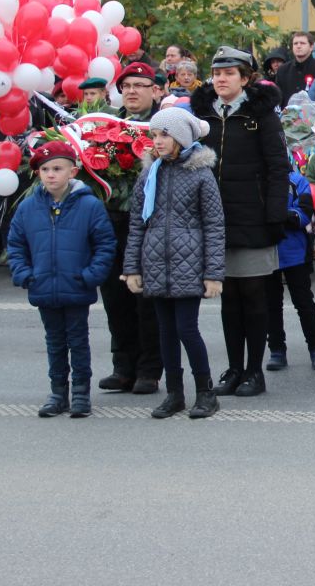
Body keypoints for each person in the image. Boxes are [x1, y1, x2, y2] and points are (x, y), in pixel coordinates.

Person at [191, 47, 290, 398]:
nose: (221, 79)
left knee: (253, 295)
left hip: (253, 216)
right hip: (214, 219)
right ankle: (234, 368)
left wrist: (275, 213)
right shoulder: (203, 113)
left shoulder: (260, 115)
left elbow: (278, 167)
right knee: (228, 297)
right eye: (217, 73)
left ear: (245, 78)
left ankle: (254, 371)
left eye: (229, 73)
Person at [122, 108, 225, 419]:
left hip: (188, 265)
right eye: (154, 135)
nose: (157, 141)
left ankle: (205, 392)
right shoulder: (149, 174)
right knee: (165, 331)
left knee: (186, 329)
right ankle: (174, 393)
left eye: (164, 135)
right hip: (156, 264)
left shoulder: (201, 175)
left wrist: (213, 273)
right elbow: (137, 224)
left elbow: (214, 225)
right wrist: (132, 268)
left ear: (181, 138)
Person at [7, 141, 117, 418]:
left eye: (57, 169)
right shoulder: (28, 208)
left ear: (73, 172)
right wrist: (25, 274)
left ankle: (80, 392)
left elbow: (105, 244)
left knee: (78, 341)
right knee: (54, 342)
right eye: (45, 169)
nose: (51, 174)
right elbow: (16, 245)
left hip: (76, 286)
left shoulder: (89, 206)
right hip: (43, 286)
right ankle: (58, 392)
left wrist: (90, 275)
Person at [97, 61, 164, 395]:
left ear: (155, 90)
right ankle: (123, 366)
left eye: (140, 85)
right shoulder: (105, 126)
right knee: (115, 297)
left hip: (150, 226)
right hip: (112, 222)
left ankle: (149, 369)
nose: (132, 91)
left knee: (147, 300)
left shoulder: (162, 126)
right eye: (127, 86)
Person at [265, 169, 315, 372]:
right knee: (271, 305)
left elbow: (303, 215)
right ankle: (276, 350)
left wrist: (277, 214)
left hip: (294, 253)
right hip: (266, 252)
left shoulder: (297, 180)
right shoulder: (258, 177)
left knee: (304, 303)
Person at [275, 31, 315, 106]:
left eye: (302, 43)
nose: (298, 46)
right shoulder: (283, 70)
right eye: (295, 43)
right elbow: (278, 98)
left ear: (311, 47)